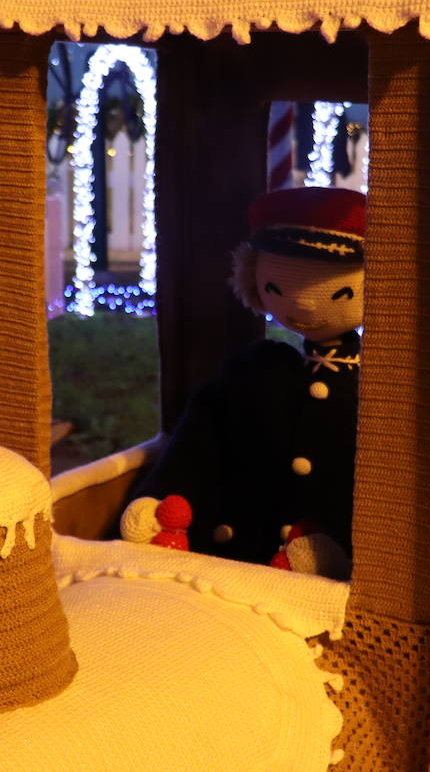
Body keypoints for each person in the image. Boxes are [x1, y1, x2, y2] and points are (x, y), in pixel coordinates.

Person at [122, 187, 365, 576]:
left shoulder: (375, 391)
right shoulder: (254, 370)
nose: (302, 303)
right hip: (225, 557)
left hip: (320, 576)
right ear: (253, 280)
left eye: (338, 291)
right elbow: (197, 445)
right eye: (277, 288)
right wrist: (164, 499)